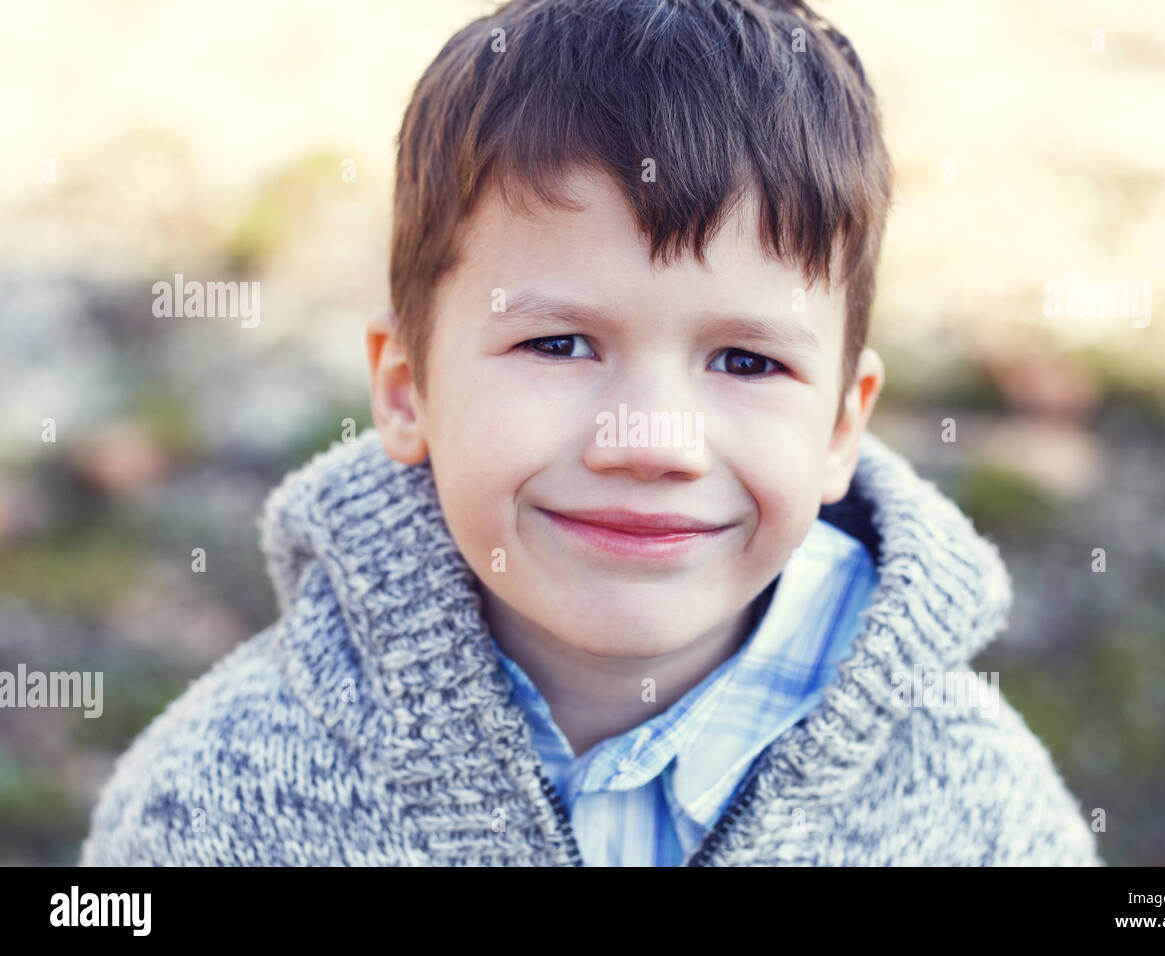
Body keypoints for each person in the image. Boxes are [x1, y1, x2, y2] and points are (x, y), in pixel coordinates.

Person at [81, 0, 1101, 866]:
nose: (651, 439)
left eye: (746, 362)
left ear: (841, 424)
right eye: (562, 343)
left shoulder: (976, 810)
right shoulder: (221, 804)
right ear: (404, 391)